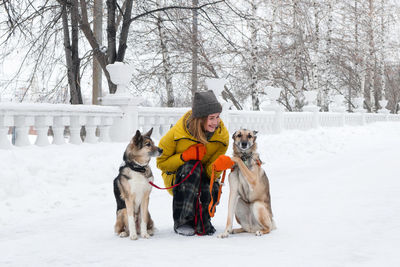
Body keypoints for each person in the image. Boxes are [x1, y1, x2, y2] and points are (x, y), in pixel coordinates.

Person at [156, 90, 234, 236]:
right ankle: (183, 220)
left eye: (217, 117)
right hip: (180, 178)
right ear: (200, 118)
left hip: (203, 177)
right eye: (211, 118)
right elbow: (162, 163)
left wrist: (217, 167)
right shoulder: (178, 133)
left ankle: (201, 220)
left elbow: (209, 174)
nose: (216, 122)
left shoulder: (221, 137)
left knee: (205, 180)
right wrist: (184, 157)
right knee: (193, 166)